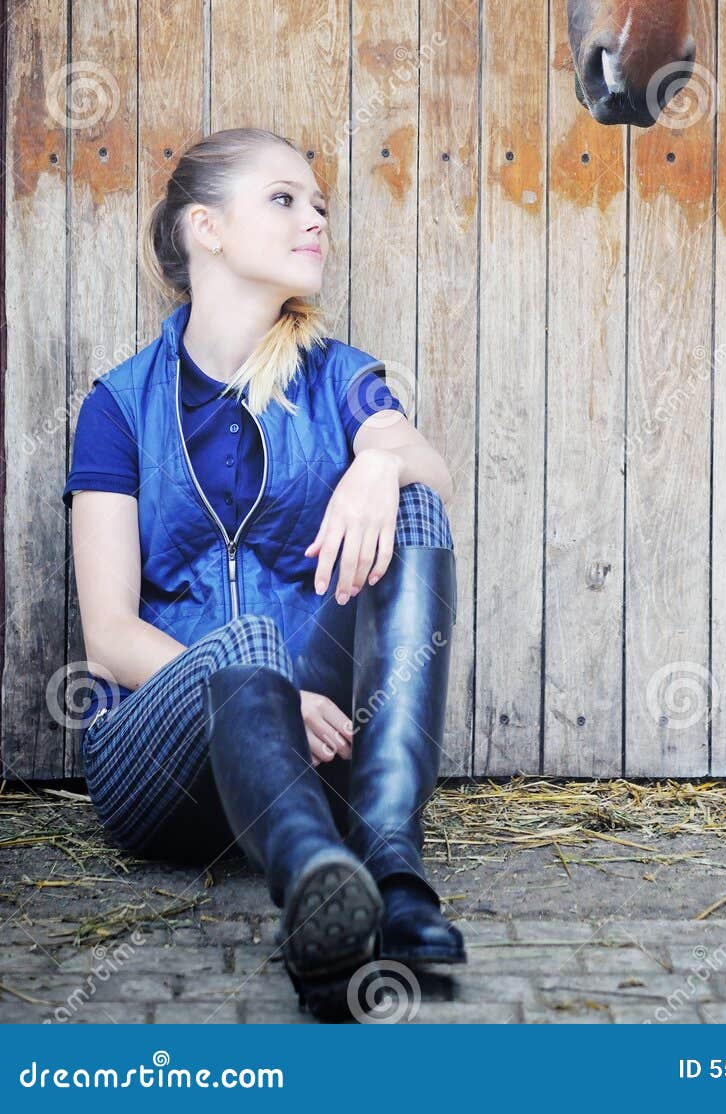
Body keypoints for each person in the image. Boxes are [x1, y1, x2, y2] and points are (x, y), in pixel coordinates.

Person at [65, 125, 465, 1021]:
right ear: (207, 229)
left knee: (413, 502)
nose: (314, 219)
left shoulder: (338, 378)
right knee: (241, 642)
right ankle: (314, 881)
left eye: (318, 204)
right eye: (283, 199)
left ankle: (383, 873)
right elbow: (109, 637)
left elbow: (422, 462)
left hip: (324, 751)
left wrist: (378, 461)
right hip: (161, 770)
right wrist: (266, 687)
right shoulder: (118, 406)